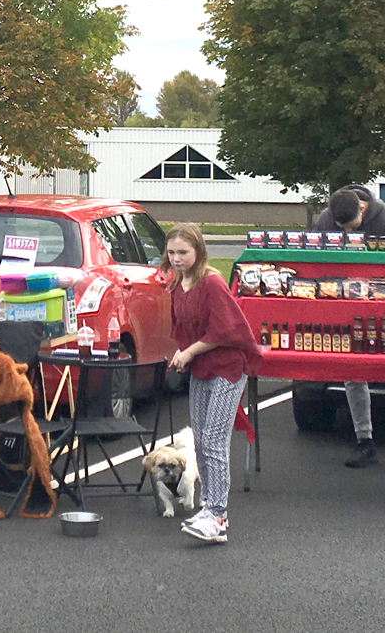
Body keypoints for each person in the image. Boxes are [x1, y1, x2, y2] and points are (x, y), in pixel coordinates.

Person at [313, 184, 385, 477]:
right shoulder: (327, 219)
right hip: (347, 309)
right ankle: (364, 441)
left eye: (353, 227)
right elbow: (317, 263)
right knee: (354, 373)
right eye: (343, 229)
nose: (348, 234)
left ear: (362, 209)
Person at [164, 223, 261, 544]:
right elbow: (188, 328)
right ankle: (210, 508)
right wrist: (183, 351)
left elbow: (226, 331)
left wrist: (189, 350)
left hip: (228, 368)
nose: (176, 259)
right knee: (201, 441)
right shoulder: (179, 284)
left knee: (215, 441)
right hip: (202, 368)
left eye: (183, 253)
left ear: (198, 252)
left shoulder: (213, 283)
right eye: (172, 252)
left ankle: (217, 514)